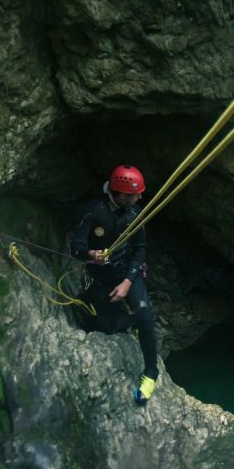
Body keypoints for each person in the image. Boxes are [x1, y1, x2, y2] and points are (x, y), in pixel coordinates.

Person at [70, 164, 158, 405]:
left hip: (127, 271)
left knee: (145, 316)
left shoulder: (134, 214)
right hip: (100, 275)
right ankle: (128, 323)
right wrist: (91, 254)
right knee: (106, 326)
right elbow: (75, 247)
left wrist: (129, 282)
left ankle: (151, 372)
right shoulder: (94, 212)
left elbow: (140, 251)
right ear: (120, 195)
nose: (140, 197)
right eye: (134, 194)